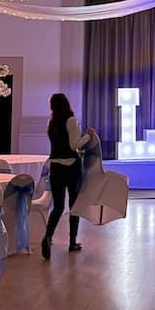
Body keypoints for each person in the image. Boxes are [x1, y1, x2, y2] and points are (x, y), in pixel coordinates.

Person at [42, 93, 95, 259]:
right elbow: (75, 145)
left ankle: (47, 236)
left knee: (57, 207)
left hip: (56, 167)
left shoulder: (51, 122)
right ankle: (72, 242)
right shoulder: (71, 121)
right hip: (71, 167)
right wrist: (88, 135)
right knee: (74, 206)